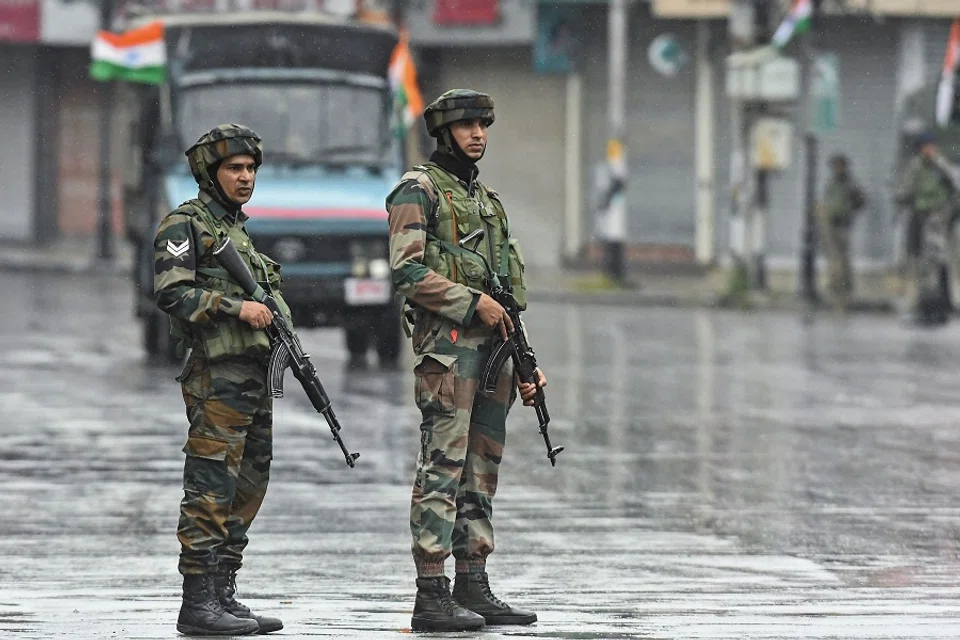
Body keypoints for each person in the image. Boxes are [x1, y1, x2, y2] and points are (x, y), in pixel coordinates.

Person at [385, 89, 546, 632]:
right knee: (443, 467)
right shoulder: (418, 190)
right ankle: (430, 594)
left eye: (483, 125)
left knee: (482, 469)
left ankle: (472, 584)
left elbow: (505, 292)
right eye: (466, 125)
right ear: (443, 132)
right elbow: (406, 271)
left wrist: (527, 364)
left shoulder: (488, 201)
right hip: (448, 352)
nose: (477, 134)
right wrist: (468, 301)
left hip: (494, 355)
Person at [154, 124, 289, 636]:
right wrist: (237, 308)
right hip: (216, 377)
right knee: (210, 485)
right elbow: (172, 294)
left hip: (251, 379)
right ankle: (197, 601)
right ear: (211, 172)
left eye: (251, 169)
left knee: (249, 483)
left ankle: (224, 592)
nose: (245, 177)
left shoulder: (237, 232)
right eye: (235, 168)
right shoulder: (184, 225)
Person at [895, 132, 955, 324]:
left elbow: (955, 188)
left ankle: (935, 306)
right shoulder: (915, 168)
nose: (930, 150)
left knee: (933, 263)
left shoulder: (941, 166)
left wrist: (948, 213)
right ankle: (925, 306)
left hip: (936, 220)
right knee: (921, 262)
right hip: (919, 219)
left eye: (932, 146)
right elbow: (904, 193)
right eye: (926, 147)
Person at [817, 154, 865, 312]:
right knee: (833, 260)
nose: (837, 169)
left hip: (843, 225)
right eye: (835, 166)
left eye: (840, 166)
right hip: (830, 225)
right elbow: (828, 201)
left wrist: (850, 212)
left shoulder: (850, 184)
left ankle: (845, 293)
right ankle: (834, 292)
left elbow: (861, 200)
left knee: (843, 260)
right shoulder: (831, 184)